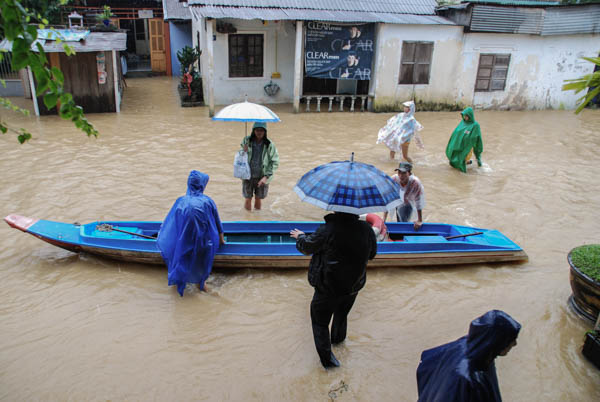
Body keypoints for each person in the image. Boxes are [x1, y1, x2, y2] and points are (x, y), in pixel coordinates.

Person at [290, 212, 377, 368]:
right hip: (353, 286)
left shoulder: (327, 230)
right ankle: (338, 343)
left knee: (320, 324)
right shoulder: (366, 229)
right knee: (341, 315)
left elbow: (307, 247)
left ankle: (330, 365)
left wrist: (300, 237)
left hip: (327, 287)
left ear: (335, 210)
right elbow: (372, 254)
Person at [416, 310, 521, 402]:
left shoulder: (472, 347)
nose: (515, 344)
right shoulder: (465, 378)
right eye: (510, 340)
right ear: (496, 342)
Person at [157, 170, 225, 296]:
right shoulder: (208, 201)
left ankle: (177, 284)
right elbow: (217, 224)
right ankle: (202, 285)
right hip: (204, 243)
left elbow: (171, 223)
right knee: (202, 270)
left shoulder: (181, 201)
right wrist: (221, 240)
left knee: (181, 260)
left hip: (185, 242)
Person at [240, 122, 279, 211]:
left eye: (261, 130)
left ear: (265, 132)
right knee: (247, 198)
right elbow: (240, 158)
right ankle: (248, 219)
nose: (259, 132)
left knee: (258, 198)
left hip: (262, 176)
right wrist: (243, 151)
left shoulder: (269, 144)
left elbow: (275, 162)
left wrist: (266, 177)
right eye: (257, 130)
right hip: (247, 175)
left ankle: (257, 219)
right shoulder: (247, 141)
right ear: (254, 131)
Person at [382, 162, 425, 230]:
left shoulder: (415, 183)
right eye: (399, 172)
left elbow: (418, 201)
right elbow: (388, 199)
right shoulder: (394, 179)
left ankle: (402, 233)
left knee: (403, 222)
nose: (401, 176)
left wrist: (420, 220)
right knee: (397, 218)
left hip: (408, 203)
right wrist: (384, 219)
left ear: (409, 173)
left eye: (404, 173)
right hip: (397, 200)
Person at [446, 107, 483, 173]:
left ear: (470, 116)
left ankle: (466, 165)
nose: (465, 117)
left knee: (462, 158)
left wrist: (477, 151)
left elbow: (476, 138)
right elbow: (456, 133)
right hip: (458, 145)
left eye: (466, 116)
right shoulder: (463, 122)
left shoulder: (475, 125)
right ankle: (467, 162)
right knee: (455, 157)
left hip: (467, 147)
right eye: (464, 116)